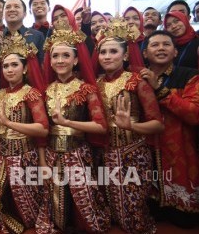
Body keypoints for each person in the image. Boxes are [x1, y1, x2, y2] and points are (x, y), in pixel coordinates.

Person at [36, 19, 110, 233]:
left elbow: (101, 126)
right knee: (55, 211)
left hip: (78, 152)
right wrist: (42, 160)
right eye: (55, 56)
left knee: (86, 207)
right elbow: (42, 131)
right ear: (49, 61)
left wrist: (68, 123)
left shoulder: (86, 89)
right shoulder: (46, 91)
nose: (60, 60)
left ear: (76, 59)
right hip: (51, 153)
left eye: (66, 55)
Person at [96, 17, 164, 233]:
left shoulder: (136, 81)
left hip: (133, 153)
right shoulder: (95, 84)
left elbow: (157, 124)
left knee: (133, 217)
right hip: (105, 154)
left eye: (113, 51)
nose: (107, 56)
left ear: (125, 55)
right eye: (103, 52)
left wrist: (131, 127)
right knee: (113, 212)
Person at [0, 32, 49, 234]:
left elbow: (43, 129)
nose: (9, 70)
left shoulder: (31, 94)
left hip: (24, 156)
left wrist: (9, 123)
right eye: (6, 66)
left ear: (26, 68)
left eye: (14, 65)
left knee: (27, 214)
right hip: (0, 155)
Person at [140, 30, 199, 228]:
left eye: (166, 44)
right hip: (146, 146)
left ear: (175, 52)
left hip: (180, 146)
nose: (161, 48)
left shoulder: (189, 76)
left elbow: (194, 114)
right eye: (154, 45)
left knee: (183, 221)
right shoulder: (136, 78)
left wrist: (159, 89)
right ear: (145, 53)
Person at [2, 0, 45, 65]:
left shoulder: (37, 36)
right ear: (3, 14)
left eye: (16, 6)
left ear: (24, 14)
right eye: (8, 7)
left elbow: (42, 64)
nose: (12, 9)